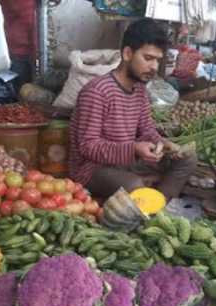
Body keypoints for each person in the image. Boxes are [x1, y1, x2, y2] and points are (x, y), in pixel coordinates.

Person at [69, 19, 197, 200]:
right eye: (148, 58)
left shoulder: (139, 89)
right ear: (128, 53)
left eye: (158, 60)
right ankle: (148, 207)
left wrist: (163, 144)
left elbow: (146, 129)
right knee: (133, 185)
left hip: (126, 162)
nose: (154, 67)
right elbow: (88, 147)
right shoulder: (97, 92)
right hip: (93, 168)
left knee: (188, 159)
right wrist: (134, 149)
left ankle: (159, 206)